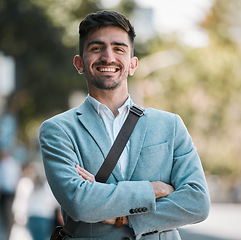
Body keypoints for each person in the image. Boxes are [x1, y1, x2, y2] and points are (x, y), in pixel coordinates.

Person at [39, 10, 210, 240]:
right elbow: (80, 203)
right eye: (96, 48)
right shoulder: (57, 131)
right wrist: (152, 190)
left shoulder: (170, 125)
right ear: (79, 63)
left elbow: (197, 202)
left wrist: (122, 217)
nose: (108, 57)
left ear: (132, 64)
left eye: (119, 48)